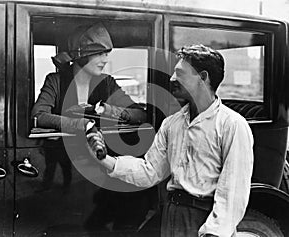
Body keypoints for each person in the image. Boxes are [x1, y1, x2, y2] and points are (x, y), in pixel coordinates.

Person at [87, 44, 254, 237]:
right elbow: (150, 171)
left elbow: (233, 191)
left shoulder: (232, 125)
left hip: (204, 221)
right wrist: (105, 160)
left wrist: (214, 232)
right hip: (172, 215)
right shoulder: (172, 124)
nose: (172, 78)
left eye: (180, 73)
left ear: (203, 77)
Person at [31, 23, 146, 191]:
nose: (105, 59)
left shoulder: (107, 83)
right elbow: (39, 115)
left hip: (100, 167)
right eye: (99, 53)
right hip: (62, 155)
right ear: (82, 55)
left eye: (106, 53)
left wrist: (106, 110)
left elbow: (139, 114)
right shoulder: (55, 80)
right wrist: (83, 125)